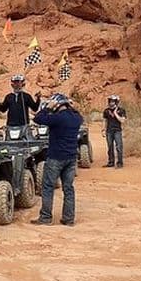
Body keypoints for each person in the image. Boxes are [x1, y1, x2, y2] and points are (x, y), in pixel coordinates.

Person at [31, 93, 83, 226]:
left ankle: (46, 218)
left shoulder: (57, 118)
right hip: (71, 158)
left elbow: (37, 119)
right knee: (68, 189)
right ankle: (68, 219)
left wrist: (47, 108)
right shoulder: (76, 118)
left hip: (55, 157)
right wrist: (72, 107)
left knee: (48, 187)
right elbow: (78, 114)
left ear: (57, 105)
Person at [102, 94, 126, 168]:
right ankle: (111, 162)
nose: (111, 103)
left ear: (116, 102)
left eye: (112, 101)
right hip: (109, 131)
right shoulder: (106, 111)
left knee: (119, 147)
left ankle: (119, 163)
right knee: (110, 147)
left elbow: (122, 121)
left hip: (117, 131)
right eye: (110, 101)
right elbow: (105, 121)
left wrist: (115, 113)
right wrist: (103, 129)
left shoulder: (121, 110)